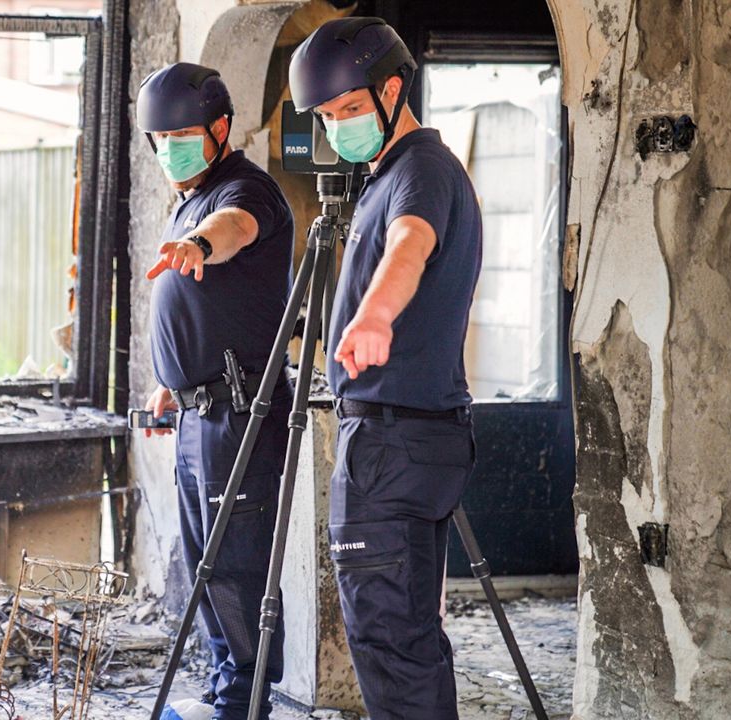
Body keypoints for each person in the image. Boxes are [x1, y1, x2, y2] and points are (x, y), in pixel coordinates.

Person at [288, 17, 484, 720]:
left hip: (393, 445)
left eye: (348, 110)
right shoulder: (390, 175)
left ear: (393, 89)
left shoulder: (420, 172)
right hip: (412, 437)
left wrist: (373, 316)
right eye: (327, 116)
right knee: (405, 637)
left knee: (389, 642)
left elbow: (410, 244)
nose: (338, 127)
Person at [136, 62, 296, 720]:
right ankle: (226, 695)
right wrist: (174, 382)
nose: (167, 147)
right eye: (159, 137)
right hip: (204, 410)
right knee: (207, 568)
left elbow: (234, 229)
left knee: (235, 568)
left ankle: (243, 704)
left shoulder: (243, 191)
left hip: (241, 416)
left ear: (221, 129)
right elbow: (214, 310)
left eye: (182, 134)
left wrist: (200, 241)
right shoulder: (189, 193)